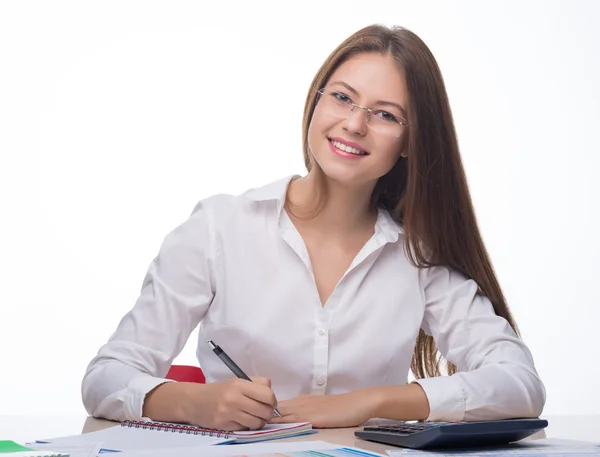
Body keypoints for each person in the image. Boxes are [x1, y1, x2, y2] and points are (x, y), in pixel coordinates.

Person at [81, 24, 545, 431]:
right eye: (343, 97)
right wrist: (193, 401)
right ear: (317, 101)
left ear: (410, 141)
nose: (354, 124)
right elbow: (107, 375)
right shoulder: (219, 228)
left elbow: (519, 383)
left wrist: (367, 403)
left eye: (386, 114)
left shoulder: (417, 257)